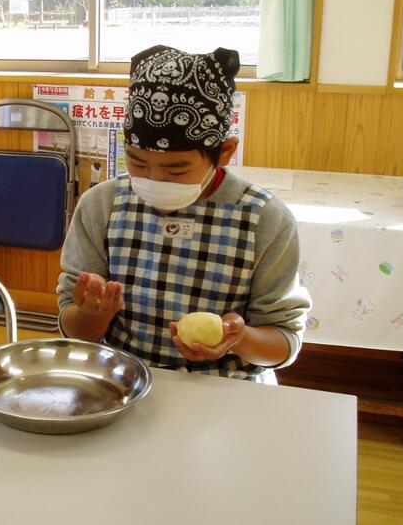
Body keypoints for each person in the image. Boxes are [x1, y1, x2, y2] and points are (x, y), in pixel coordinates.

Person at [57, 45, 311, 382]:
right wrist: (93, 314)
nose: (154, 180)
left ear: (224, 152)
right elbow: (75, 330)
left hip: (227, 389)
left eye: (176, 170)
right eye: (137, 163)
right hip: (127, 383)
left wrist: (238, 339)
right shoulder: (102, 205)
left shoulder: (264, 219)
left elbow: (283, 342)